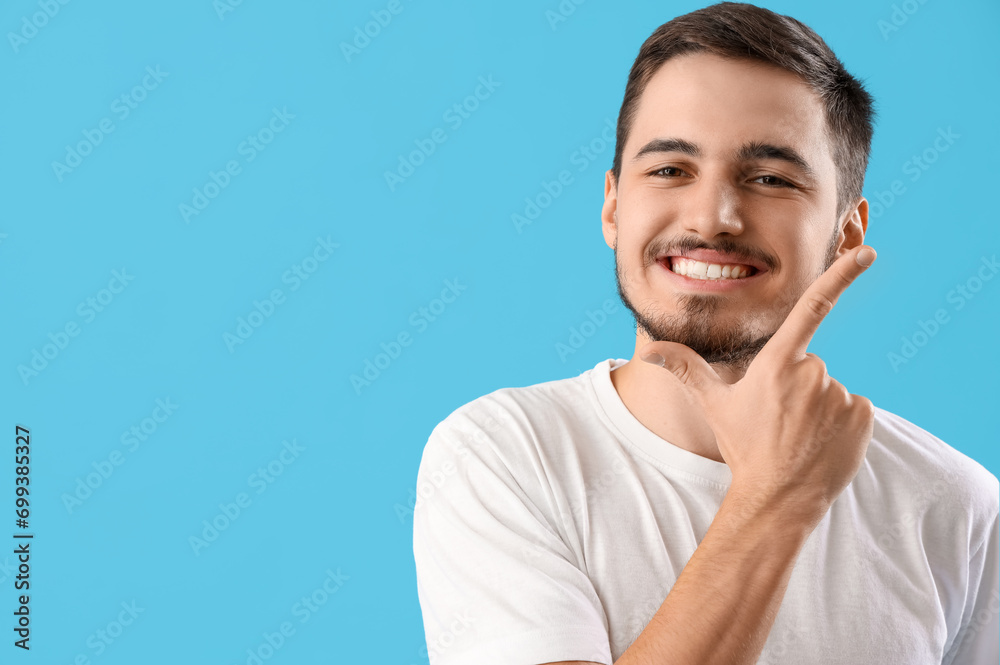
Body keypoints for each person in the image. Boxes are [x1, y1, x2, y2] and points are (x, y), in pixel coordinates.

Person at [411, 3, 999, 664]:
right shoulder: (503, 455)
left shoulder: (958, 504)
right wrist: (776, 500)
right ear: (613, 206)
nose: (712, 217)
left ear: (846, 234)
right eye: (669, 169)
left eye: (771, 179)